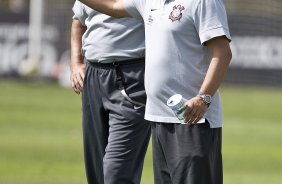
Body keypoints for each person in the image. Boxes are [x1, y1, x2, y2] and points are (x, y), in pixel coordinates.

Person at [78, 0, 232, 184]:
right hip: (158, 118)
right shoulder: (148, 1)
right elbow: (113, 8)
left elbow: (223, 53)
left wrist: (203, 98)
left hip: (192, 118)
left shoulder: (204, 2)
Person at [70, 1, 151, 184]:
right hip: (93, 76)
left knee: (116, 174)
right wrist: (76, 63)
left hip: (132, 76)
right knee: (97, 173)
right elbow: (78, 21)